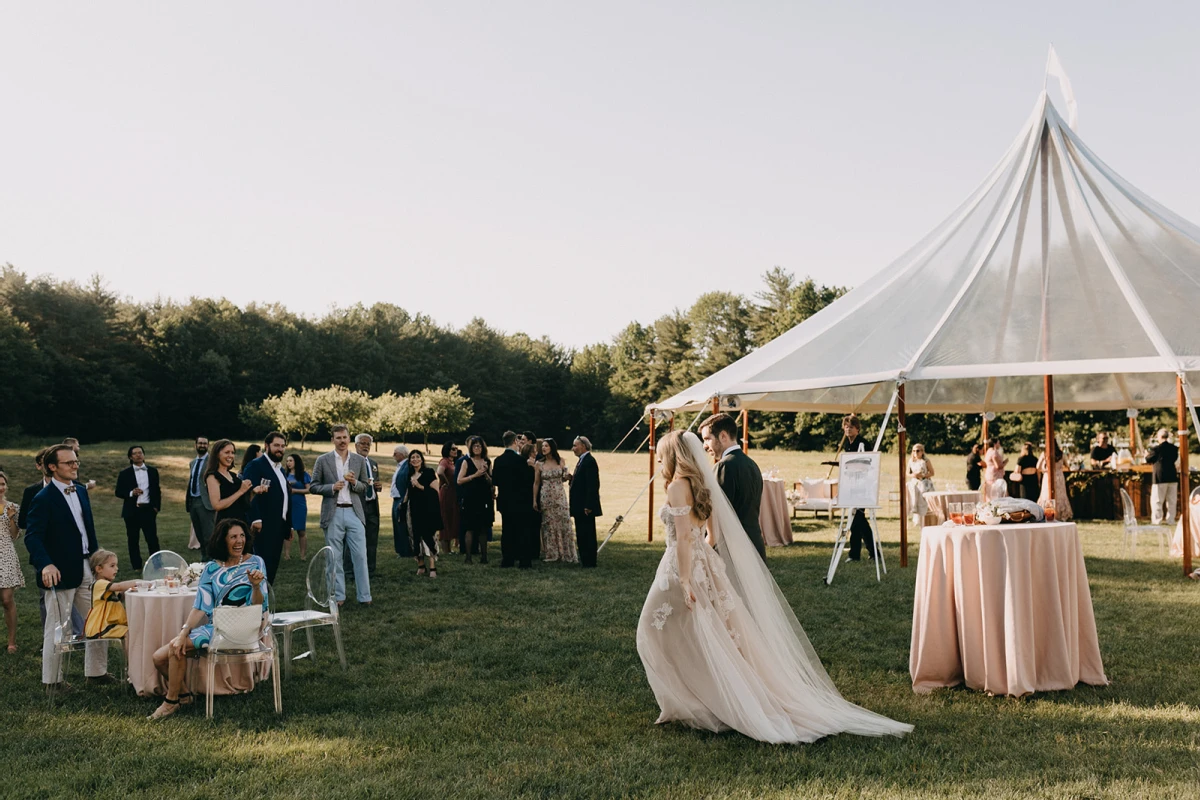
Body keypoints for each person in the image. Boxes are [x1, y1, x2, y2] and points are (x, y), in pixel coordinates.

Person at [635, 431, 912, 743]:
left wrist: (686, 578)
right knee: (709, 635)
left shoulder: (676, 486)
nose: (658, 459)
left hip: (679, 568)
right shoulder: (702, 483)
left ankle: (695, 702)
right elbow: (711, 536)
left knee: (653, 629)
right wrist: (704, 563)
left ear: (673, 454)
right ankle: (692, 701)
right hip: (704, 565)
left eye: (661, 453)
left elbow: (684, 537)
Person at [147, 519, 268, 720]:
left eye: (242, 536)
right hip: (216, 627)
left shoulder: (255, 562)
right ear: (223, 540)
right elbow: (200, 606)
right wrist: (183, 632)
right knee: (159, 658)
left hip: (245, 625)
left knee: (175, 649)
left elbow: (258, 606)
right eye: (233, 537)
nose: (239, 541)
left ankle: (170, 702)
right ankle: (184, 695)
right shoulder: (211, 568)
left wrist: (255, 586)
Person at [24, 444, 113, 693]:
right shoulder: (42, 498)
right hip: (60, 571)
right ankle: (52, 681)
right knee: (57, 627)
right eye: (69, 462)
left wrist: (97, 560)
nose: (75, 465)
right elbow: (33, 537)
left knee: (98, 619)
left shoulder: (82, 491)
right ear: (52, 467)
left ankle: (96, 673)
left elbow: (87, 530)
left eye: (76, 461)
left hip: (88, 566)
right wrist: (46, 563)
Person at [310, 425, 372, 606]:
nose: (342, 441)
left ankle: (365, 596)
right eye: (338, 438)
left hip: (354, 512)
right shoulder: (323, 460)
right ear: (333, 440)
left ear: (349, 438)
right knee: (334, 557)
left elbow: (364, 486)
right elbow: (313, 486)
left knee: (360, 555)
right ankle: (338, 597)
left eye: (344, 437)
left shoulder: (359, 460)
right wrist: (331, 488)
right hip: (333, 511)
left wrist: (354, 483)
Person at [699, 413, 766, 561]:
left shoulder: (724, 466)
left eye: (707, 439)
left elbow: (717, 515)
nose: (704, 446)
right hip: (754, 544)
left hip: (732, 550)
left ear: (723, 436)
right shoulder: (751, 464)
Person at [241, 432, 292, 584]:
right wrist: (256, 518)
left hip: (279, 526)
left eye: (283, 446)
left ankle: (266, 603)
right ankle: (256, 602)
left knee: (271, 568)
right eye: (276, 445)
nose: (280, 449)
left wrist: (288, 525)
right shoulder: (256, 465)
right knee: (260, 567)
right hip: (262, 526)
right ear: (267, 445)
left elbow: (285, 498)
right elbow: (248, 494)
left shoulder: (281, 470)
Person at [114, 445, 162, 572]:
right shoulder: (124, 473)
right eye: (134, 453)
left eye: (140, 452)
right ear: (130, 457)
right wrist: (131, 493)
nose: (138, 455)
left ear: (144, 455)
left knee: (152, 539)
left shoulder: (152, 471)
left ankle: (157, 565)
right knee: (133, 539)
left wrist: (156, 507)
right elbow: (118, 492)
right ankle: (136, 566)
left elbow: (157, 490)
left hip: (148, 510)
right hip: (132, 511)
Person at [836, 415, 875, 562]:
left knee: (857, 520)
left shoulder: (863, 444)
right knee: (857, 520)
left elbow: (867, 465)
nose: (848, 429)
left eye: (851, 427)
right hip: (851, 486)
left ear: (857, 429)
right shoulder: (848, 444)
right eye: (846, 426)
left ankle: (861, 553)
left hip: (862, 487)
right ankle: (863, 553)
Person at [535, 438, 577, 564]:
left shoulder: (561, 461)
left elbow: (564, 477)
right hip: (546, 495)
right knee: (549, 524)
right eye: (542, 446)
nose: (543, 448)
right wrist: (534, 500)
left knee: (563, 521)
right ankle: (552, 553)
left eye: (546, 446)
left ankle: (566, 553)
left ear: (552, 447)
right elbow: (536, 483)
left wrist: (568, 477)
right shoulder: (539, 464)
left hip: (559, 495)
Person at [347, 434, 382, 578]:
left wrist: (378, 486)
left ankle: (370, 571)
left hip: (372, 505)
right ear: (355, 445)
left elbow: (376, 483)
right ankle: (349, 572)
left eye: (368, 444)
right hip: (357, 505)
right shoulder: (349, 462)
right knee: (353, 539)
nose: (365, 446)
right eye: (362, 443)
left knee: (372, 539)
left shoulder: (373, 463)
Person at [405, 450, 443, 578]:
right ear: (410, 461)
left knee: (428, 537)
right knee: (415, 538)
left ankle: (433, 567)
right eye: (412, 457)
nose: (415, 459)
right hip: (413, 510)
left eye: (417, 457)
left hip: (427, 510)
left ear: (421, 459)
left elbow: (435, 491)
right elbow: (408, 493)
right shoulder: (409, 475)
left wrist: (420, 486)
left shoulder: (428, 472)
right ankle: (421, 566)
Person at [84, 550, 138, 640]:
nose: (116, 568)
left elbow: (120, 595)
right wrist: (139, 582)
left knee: (132, 630)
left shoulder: (107, 586)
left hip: (107, 625)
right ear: (99, 569)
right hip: (100, 627)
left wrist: (132, 589)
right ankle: (129, 654)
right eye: (112, 566)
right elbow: (119, 586)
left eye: (116, 565)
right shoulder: (99, 584)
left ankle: (130, 653)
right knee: (128, 632)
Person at [494, 432, 529, 568]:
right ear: (515, 441)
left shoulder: (498, 460)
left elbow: (495, 480)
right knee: (521, 530)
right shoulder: (521, 460)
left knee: (507, 530)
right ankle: (523, 560)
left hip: (504, 500)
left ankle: (507, 559)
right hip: (519, 500)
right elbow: (526, 481)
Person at [457, 436, 494, 565]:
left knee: (483, 528)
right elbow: (459, 480)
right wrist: (474, 475)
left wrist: (485, 474)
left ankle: (484, 556)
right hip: (470, 498)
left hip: (484, 498)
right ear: (471, 448)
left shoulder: (487, 462)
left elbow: (491, 482)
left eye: (479, 446)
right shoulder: (466, 462)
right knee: (470, 528)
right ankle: (468, 557)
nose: (477, 448)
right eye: (474, 446)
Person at [0, 471, 25, 653]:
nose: (0, 488)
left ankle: (11, 641)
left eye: (2, 484)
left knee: (7, 600)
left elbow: (15, 535)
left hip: (5, 554)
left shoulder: (12, 507)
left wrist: (10, 518)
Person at [569, 436, 602, 568]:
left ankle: (589, 561)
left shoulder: (589, 461)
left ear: (583, 446)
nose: (573, 449)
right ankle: (584, 559)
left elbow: (592, 485)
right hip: (579, 505)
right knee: (581, 533)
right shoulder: (582, 461)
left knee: (587, 533)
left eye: (575, 445)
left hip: (585, 506)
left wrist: (589, 505)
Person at [204, 440, 253, 528]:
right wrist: (241, 491)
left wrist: (253, 492)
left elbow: (243, 502)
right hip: (226, 524)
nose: (230, 456)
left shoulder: (233, 476)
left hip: (241, 522)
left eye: (232, 452)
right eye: (227, 452)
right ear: (217, 454)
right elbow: (217, 505)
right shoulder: (212, 477)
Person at [1146, 428, 1180, 526]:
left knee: (1157, 500)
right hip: (1172, 476)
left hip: (1160, 477)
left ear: (1159, 437)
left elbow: (1148, 459)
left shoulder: (1157, 449)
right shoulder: (1174, 448)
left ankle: (1157, 520)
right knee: (1172, 500)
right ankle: (1171, 520)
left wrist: (1146, 454)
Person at [185, 437, 213, 560]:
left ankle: (212, 560)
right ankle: (204, 558)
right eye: (200, 443)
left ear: (208, 445)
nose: (202, 445)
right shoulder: (192, 463)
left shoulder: (212, 461)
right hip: (193, 501)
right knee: (199, 534)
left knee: (208, 534)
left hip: (205, 501)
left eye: (205, 443)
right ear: (195, 445)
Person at [1037, 440, 1074, 522]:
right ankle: (1061, 515)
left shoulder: (1044, 454)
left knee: (1046, 495)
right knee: (1060, 495)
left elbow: (1038, 466)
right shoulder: (1061, 454)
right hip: (1059, 476)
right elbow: (1067, 466)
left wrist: (1044, 470)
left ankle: (1047, 513)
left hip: (1048, 476)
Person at [283, 453, 311, 561]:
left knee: (301, 531)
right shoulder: (284, 474)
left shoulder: (303, 475)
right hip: (287, 504)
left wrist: (295, 490)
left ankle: (303, 555)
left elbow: (309, 489)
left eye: (291, 461)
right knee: (287, 530)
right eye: (287, 461)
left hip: (299, 505)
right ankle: (286, 555)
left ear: (296, 462)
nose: (288, 463)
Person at [436, 443, 461, 555]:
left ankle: (450, 549)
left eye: (456, 448)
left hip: (454, 493)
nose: (455, 450)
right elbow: (440, 472)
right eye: (453, 449)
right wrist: (446, 482)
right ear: (447, 450)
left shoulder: (452, 462)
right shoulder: (444, 461)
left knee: (452, 518)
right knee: (445, 518)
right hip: (447, 493)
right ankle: (446, 549)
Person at [389, 445, 412, 558]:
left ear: (402, 454)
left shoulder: (407, 466)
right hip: (396, 498)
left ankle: (406, 550)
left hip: (402, 498)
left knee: (402, 525)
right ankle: (400, 550)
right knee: (397, 525)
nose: (393, 455)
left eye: (395, 453)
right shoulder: (400, 466)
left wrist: (404, 499)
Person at [906, 444, 935, 527]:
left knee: (926, 503)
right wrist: (914, 475)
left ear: (922, 452)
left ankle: (926, 520)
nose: (916, 452)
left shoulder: (926, 460)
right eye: (914, 451)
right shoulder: (911, 461)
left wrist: (923, 476)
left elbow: (932, 473)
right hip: (915, 482)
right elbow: (907, 473)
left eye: (918, 451)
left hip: (925, 483)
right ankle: (916, 515)